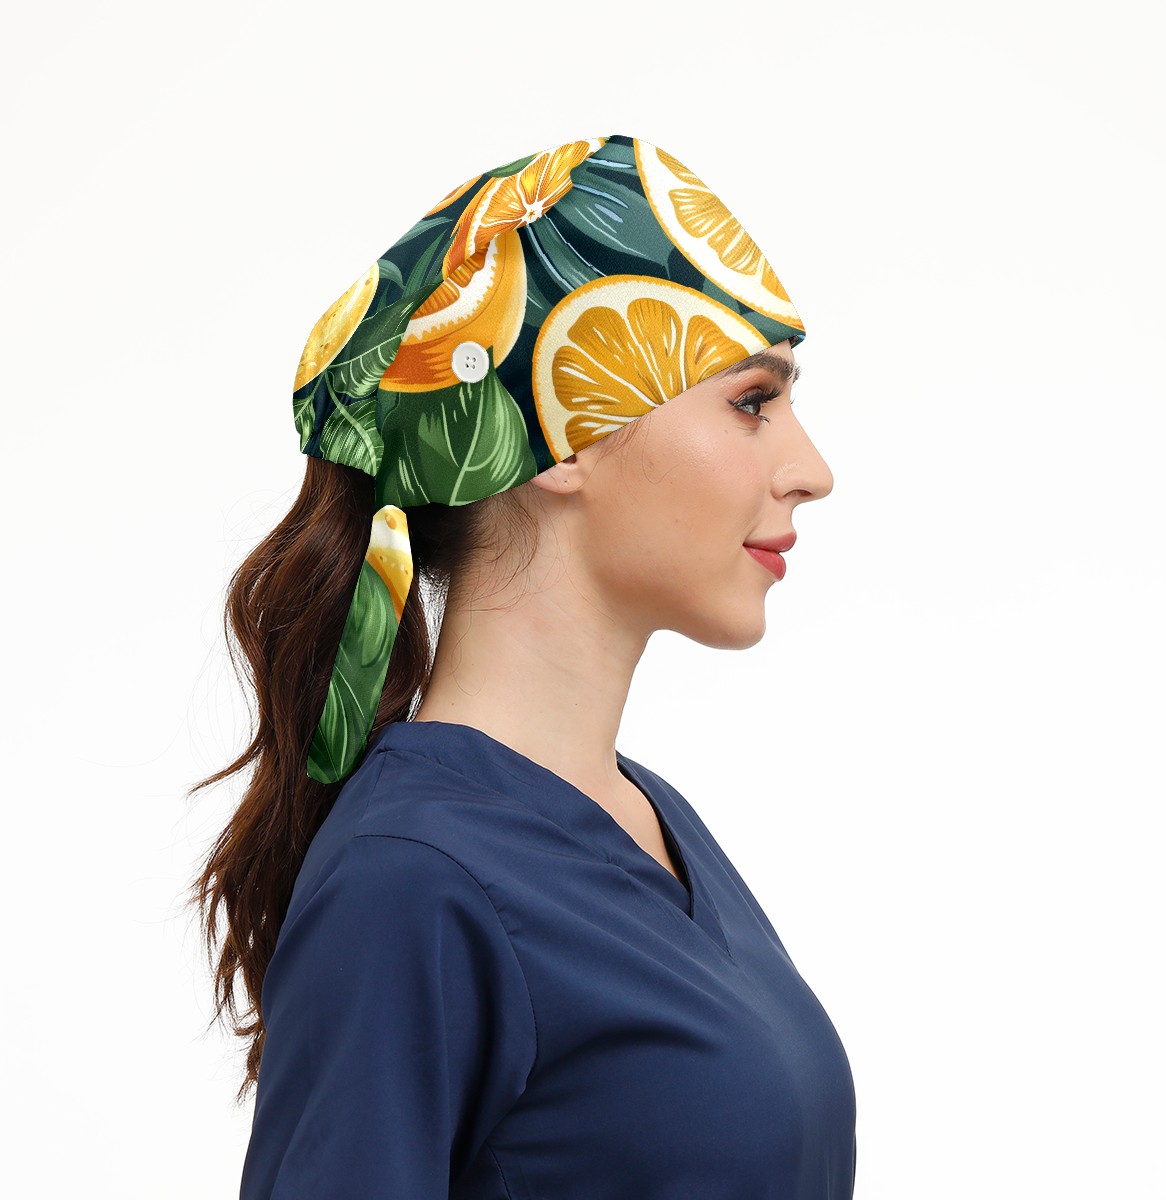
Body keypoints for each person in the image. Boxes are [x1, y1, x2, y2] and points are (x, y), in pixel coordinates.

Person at [190, 133, 856, 1198]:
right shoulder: (412, 879)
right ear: (565, 434)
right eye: (751, 402)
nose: (810, 469)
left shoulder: (647, 819)